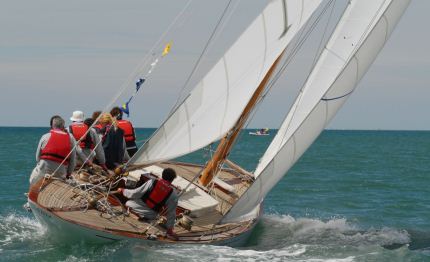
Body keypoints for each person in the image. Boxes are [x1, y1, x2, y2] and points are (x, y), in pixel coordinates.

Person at [117, 168, 179, 238]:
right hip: (150, 215)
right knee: (156, 217)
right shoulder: (173, 194)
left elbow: (136, 193)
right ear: (172, 180)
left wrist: (123, 190)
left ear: (162, 175)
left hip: (132, 207)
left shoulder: (152, 182)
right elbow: (171, 213)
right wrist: (169, 230)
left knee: (128, 202)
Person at [30, 115, 76, 184]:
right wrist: (68, 174)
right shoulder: (71, 138)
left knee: (32, 178)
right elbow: (73, 161)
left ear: (52, 126)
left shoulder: (45, 136)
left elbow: (37, 158)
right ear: (63, 126)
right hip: (60, 174)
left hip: (44, 171)